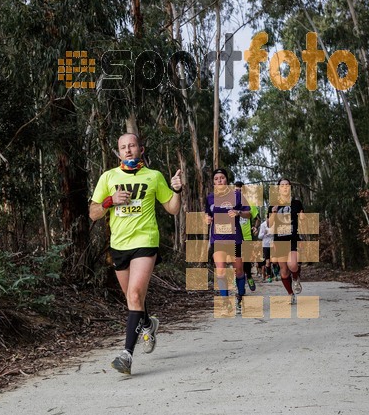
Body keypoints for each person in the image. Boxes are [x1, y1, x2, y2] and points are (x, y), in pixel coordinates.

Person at [89, 133, 182, 375]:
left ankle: (126, 355)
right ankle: (149, 324)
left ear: (141, 148)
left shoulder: (153, 176)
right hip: (119, 245)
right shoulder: (108, 177)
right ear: (118, 152)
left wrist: (176, 190)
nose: (128, 150)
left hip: (145, 240)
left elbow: (172, 208)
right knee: (134, 300)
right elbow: (93, 213)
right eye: (123, 147)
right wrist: (110, 201)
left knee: (134, 294)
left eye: (131, 146)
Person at [205, 170, 251, 314]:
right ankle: (225, 303)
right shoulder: (210, 198)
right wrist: (206, 219)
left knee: (239, 271)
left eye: (222, 178)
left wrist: (238, 213)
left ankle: (239, 297)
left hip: (235, 239)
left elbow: (248, 214)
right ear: (213, 182)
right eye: (216, 178)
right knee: (220, 270)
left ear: (227, 180)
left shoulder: (237, 196)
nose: (219, 181)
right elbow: (207, 214)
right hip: (218, 239)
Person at [267, 178, 303, 304]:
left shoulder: (297, 203)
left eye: (287, 185)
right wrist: (274, 213)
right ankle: (290, 294)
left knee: (292, 265)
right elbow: (269, 224)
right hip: (279, 240)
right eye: (282, 185)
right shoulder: (273, 205)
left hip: (293, 238)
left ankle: (296, 278)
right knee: (284, 270)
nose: (285, 187)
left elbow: (303, 219)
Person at [235, 181, 260, 291]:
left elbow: (257, 218)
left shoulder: (250, 203)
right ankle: (241, 285)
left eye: (240, 190)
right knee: (237, 263)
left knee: (246, 261)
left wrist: (255, 227)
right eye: (236, 190)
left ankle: (249, 276)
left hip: (247, 237)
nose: (238, 192)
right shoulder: (230, 203)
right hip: (235, 237)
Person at [258, 217, 273, 282]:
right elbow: (259, 236)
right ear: (267, 218)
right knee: (268, 261)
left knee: (275, 261)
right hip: (266, 245)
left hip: (273, 245)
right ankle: (269, 276)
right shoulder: (263, 225)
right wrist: (264, 232)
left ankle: (276, 273)